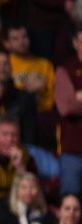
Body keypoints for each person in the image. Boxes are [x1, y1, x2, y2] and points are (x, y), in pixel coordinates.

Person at [55, 25, 82, 196]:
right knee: (71, 200)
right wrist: (74, 100)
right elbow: (66, 107)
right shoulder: (65, 69)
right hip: (73, 150)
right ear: (75, 43)